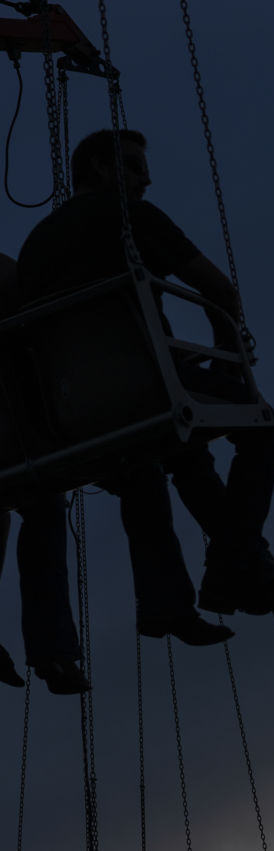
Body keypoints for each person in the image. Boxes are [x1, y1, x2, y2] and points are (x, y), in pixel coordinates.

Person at [17, 129, 274, 640]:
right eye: (134, 166)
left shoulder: (34, 247)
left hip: (69, 412)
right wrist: (228, 361)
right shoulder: (132, 217)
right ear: (98, 168)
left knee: (175, 459)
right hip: (149, 387)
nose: (146, 179)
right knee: (262, 426)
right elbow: (220, 291)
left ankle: (216, 590)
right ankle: (231, 567)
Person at [0, 251, 87, 694]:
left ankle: (53, 650)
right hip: (14, 438)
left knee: (35, 510)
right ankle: (53, 651)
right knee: (43, 513)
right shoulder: (8, 272)